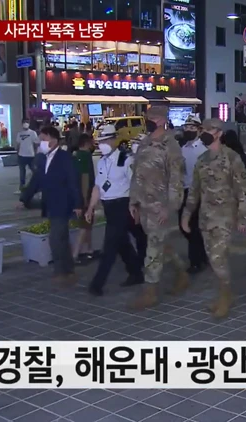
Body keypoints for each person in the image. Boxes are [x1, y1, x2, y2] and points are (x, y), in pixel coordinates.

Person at [181, 118, 246, 318]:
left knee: (218, 258)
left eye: (209, 130)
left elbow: (243, 190)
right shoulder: (202, 160)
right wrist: (186, 214)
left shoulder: (232, 158)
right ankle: (222, 294)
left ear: (219, 133)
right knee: (213, 260)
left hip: (224, 218)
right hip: (205, 218)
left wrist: (244, 217)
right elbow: (194, 191)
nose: (204, 133)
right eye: (202, 129)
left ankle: (226, 297)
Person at [128, 106, 188, 310]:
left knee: (153, 248)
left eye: (152, 117)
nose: (149, 120)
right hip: (144, 205)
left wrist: (170, 206)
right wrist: (133, 201)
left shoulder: (171, 145)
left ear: (162, 120)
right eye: (148, 117)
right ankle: (182, 273)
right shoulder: (144, 142)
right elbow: (137, 173)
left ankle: (150, 292)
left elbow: (176, 179)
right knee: (163, 244)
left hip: (160, 206)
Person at [84, 126, 145, 296]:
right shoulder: (102, 161)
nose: (101, 145)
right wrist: (90, 207)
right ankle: (136, 272)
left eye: (104, 141)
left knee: (109, 246)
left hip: (122, 206)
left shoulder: (126, 159)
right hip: (109, 207)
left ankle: (97, 284)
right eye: (99, 141)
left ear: (113, 140)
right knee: (122, 243)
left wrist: (136, 206)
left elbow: (135, 185)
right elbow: (98, 186)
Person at [18, 126, 82, 286]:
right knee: (62, 238)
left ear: (53, 140)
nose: (41, 143)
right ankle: (69, 270)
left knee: (55, 239)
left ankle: (60, 272)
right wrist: (24, 198)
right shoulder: (42, 158)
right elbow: (35, 181)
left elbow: (74, 182)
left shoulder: (65, 158)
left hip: (63, 204)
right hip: (50, 204)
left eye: (43, 140)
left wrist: (78, 204)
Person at [178, 115, 210, 274]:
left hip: (198, 193)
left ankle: (196, 261)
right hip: (184, 191)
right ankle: (202, 253)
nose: (188, 130)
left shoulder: (203, 150)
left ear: (199, 130)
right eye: (186, 127)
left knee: (192, 226)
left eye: (192, 127)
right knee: (184, 227)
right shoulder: (183, 149)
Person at [72, 133, 96, 264]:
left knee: (88, 224)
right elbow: (86, 178)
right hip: (85, 196)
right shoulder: (86, 156)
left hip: (77, 195)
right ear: (86, 143)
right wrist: (87, 199)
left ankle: (89, 249)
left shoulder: (75, 155)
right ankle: (75, 254)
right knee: (85, 224)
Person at [16, 118, 40, 192]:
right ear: (22, 123)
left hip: (31, 155)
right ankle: (21, 187)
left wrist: (36, 154)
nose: (26, 123)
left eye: (27, 122)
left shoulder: (32, 133)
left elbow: (36, 144)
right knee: (22, 173)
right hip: (21, 155)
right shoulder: (19, 133)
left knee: (35, 172)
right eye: (24, 122)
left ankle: (37, 186)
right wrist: (17, 153)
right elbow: (18, 144)